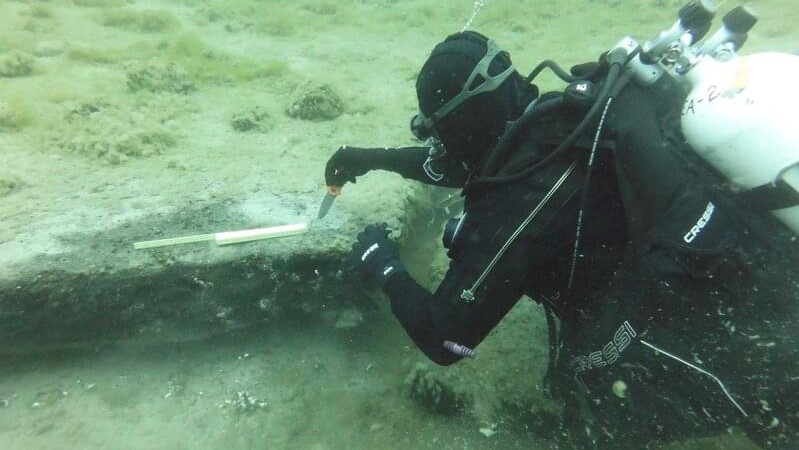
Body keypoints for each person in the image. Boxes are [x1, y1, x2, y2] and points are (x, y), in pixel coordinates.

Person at [324, 31, 799, 449]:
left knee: (588, 398)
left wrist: (385, 266)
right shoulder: (559, 118)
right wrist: (372, 157)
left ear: (461, 122)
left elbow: (447, 340)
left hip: (721, 321)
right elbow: (471, 161)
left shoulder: (516, 201)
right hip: (753, 255)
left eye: (439, 129)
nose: (439, 143)